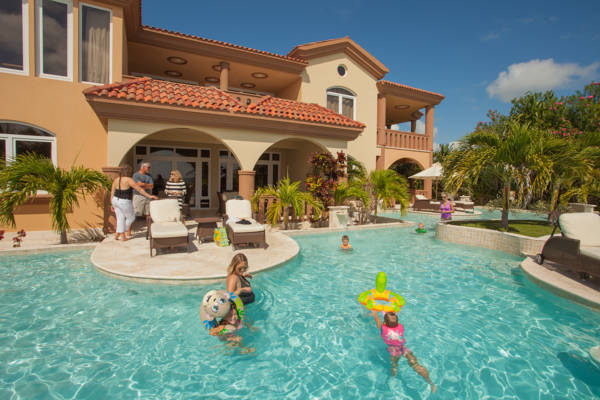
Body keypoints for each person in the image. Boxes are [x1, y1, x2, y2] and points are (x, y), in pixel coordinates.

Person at [372, 310, 436, 392]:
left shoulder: (383, 328)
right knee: (415, 364)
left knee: (394, 366)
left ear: (385, 322)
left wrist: (374, 311)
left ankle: (391, 383)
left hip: (393, 351)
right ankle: (431, 383)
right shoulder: (400, 326)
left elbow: (377, 319)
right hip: (403, 348)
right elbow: (394, 317)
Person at [110, 165, 157, 241]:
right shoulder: (129, 180)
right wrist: (149, 196)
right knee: (131, 217)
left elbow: (112, 192)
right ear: (129, 171)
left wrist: (111, 204)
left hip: (115, 200)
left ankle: (121, 235)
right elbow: (139, 189)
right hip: (124, 201)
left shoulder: (116, 179)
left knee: (120, 218)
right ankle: (120, 232)